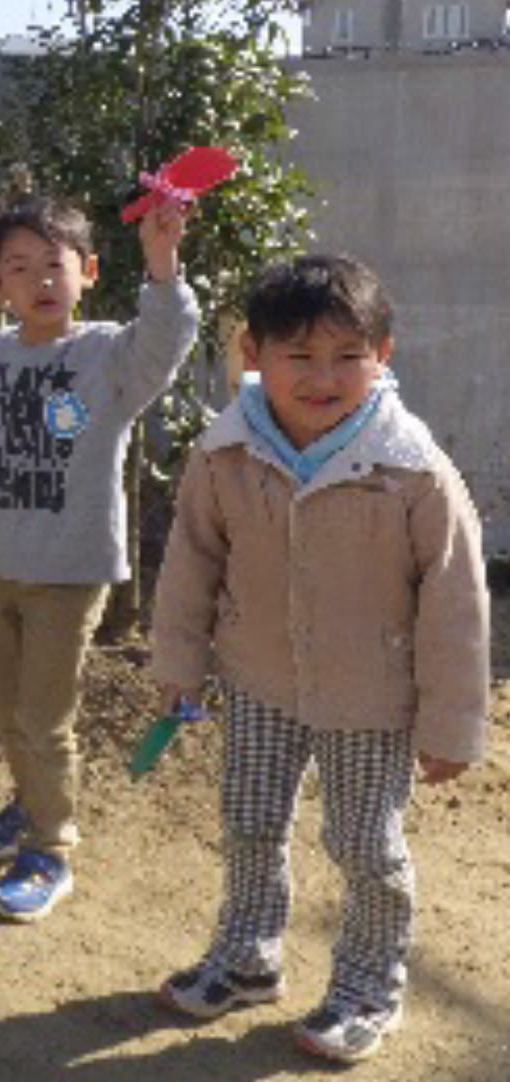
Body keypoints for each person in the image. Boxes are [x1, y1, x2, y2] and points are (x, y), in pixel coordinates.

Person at [148, 255, 489, 1065]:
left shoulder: (413, 472)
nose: (323, 376)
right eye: (299, 356)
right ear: (253, 354)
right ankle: (247, 957)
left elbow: (455, 603)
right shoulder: (224, 454)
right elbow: (191, 564)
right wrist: (180, 662)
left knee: (367, 844)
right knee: (250, 821)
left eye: (348, 355)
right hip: (259, 677)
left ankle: (370, 985)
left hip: (371, 695)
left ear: (385, 356)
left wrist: (451, 723)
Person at [0, 192, 196, 920]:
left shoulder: (106, 356)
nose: (39, 280)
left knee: (42, 714)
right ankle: (27, 804)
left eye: (54, 265)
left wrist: (161, 260)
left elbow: (167, 339)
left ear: (86, 271)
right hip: (1, 568)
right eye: (18, 267)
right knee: (1, 702)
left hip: (72, 571)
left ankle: (50, 849)